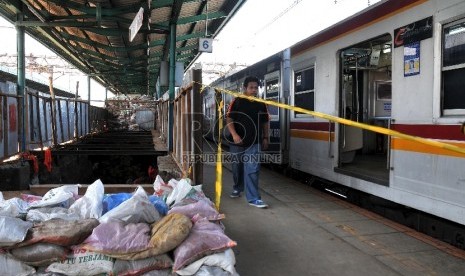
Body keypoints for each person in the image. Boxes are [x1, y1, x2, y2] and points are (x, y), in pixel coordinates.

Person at [226, 76, 270, 208]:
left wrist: (265, 137)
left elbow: (265, 122)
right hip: (237, 142)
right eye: (251, 87)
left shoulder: (261, 103)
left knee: (253, 169)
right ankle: (238, 187)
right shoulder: (237, 101)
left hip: (254, 142)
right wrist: (234, 135)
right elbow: (229, 119)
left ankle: (254, 198)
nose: (254, 90)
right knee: (237, 167)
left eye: (256, 88)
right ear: (245, 88)